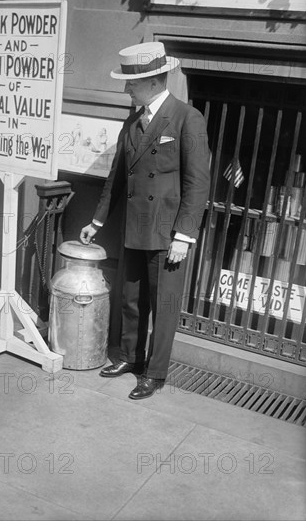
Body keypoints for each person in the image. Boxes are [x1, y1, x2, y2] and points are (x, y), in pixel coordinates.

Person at [80, 42, 210, 400]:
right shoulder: (133, 121)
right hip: (135, 226)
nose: (125, 89)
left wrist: (185, 234)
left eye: (130, 83)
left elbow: (198, 182)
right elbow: (116, 176)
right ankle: (128, 357)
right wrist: (97, 220)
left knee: (163, 306)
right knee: (131, 298)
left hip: (168, 233)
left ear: (153, 81)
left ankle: (155, 373)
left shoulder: (187, 117)